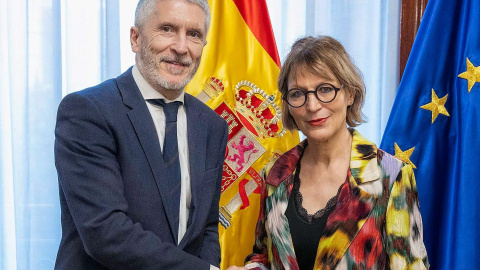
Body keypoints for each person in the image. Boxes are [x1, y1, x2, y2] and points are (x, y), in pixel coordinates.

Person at [227, 36, 429, 270]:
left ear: (350, 94)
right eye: (298, 94)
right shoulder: (275, 175)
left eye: (325, 89)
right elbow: (264, 257)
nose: (312, 106)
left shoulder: (390, 176)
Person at [54, 0, 228, 269]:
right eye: (167, 29)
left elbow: (206, 228)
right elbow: (106, 233)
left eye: (193, 35)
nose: (181, 48)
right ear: (135, 38)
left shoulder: (212, 126)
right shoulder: (88, 112)